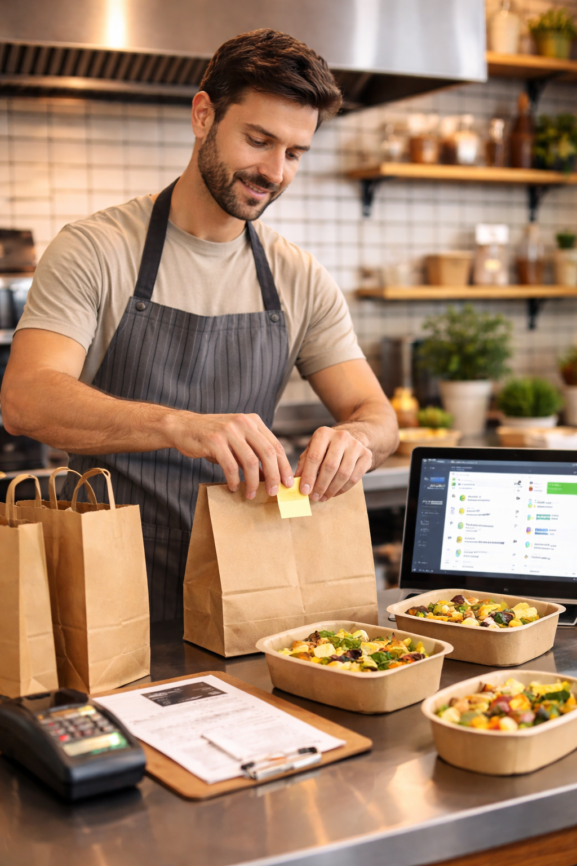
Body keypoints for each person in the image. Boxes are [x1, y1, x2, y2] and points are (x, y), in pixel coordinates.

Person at [1, 29, 399, 620]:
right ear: (203, 114)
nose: (273, 172)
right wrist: (177, 425)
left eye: (294, 153)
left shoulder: (298, 275)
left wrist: (356, 441)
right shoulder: (96, 249)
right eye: (258, 140)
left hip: (251, 588)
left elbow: (379, 417)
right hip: (113, 588)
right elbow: (25, 401)